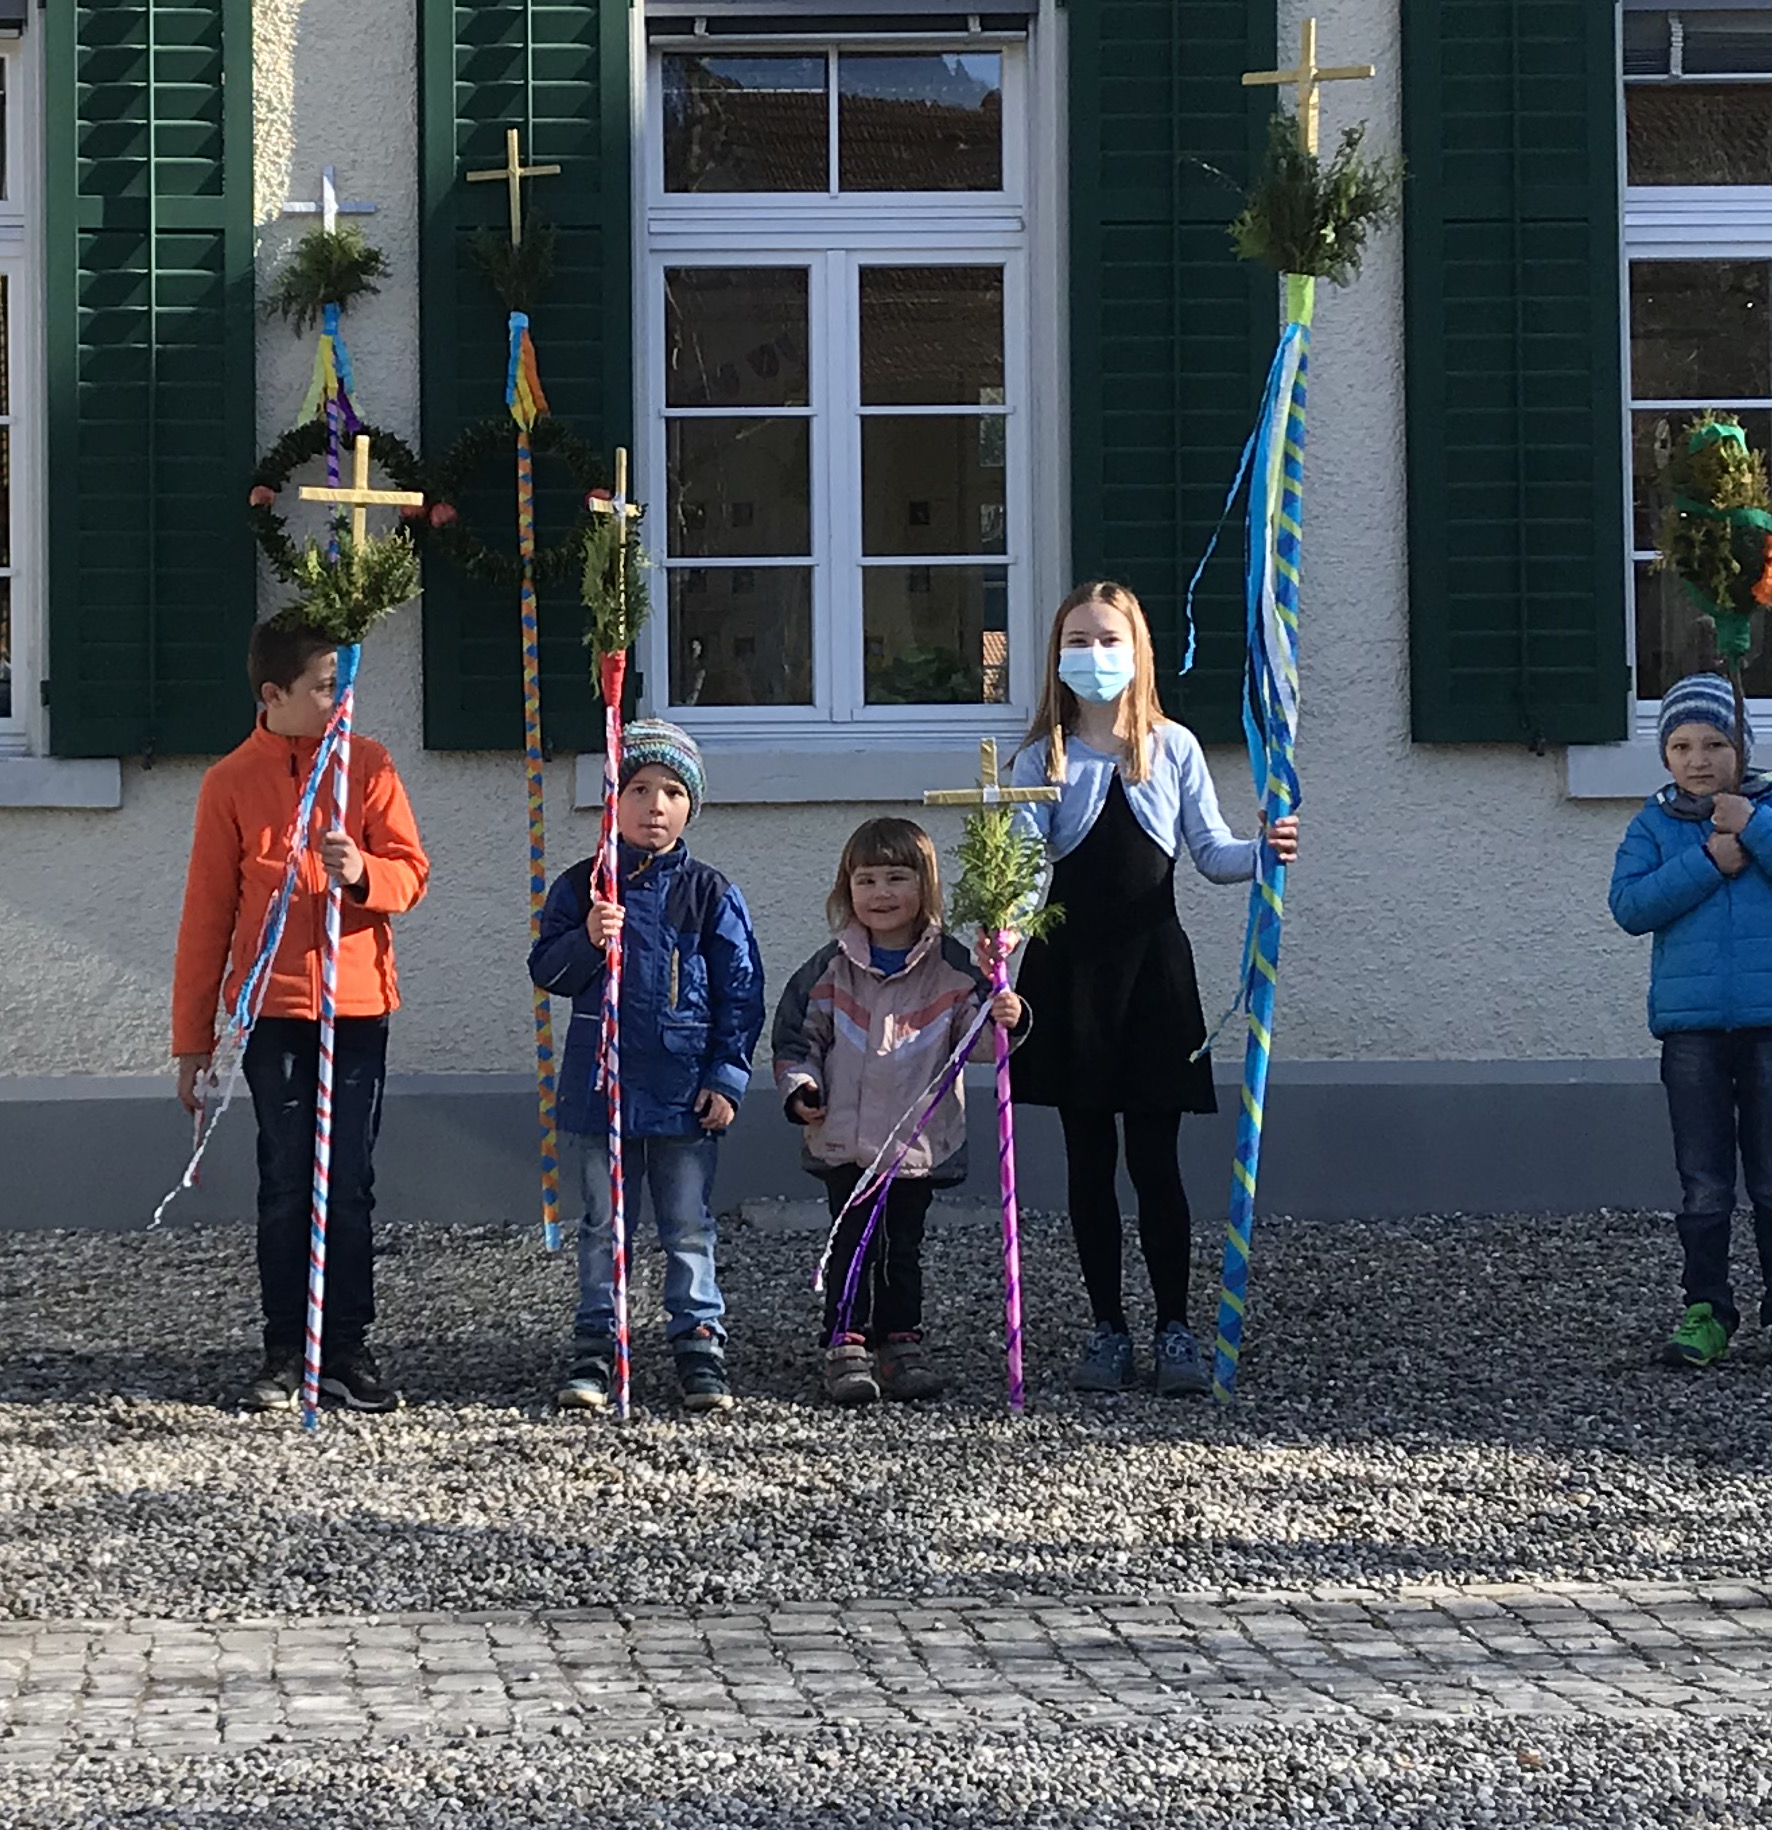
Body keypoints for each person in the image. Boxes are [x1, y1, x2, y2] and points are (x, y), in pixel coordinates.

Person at [1001, 581, 1300, 1399]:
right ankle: (1107, 1327)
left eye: (1107, 638)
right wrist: (1001, 931)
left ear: (1135, 650)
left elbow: (1210, 851)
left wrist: (1265, 852)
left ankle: (1175, 1325)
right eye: (1077, 640)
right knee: (1087, 1160)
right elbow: (1028, 876)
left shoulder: (1172, 748)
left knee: (1156, 1160)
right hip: (1068, 978)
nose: (1092, 655)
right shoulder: (1042, 759)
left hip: (1152, 976)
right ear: (1058, 656)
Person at [170, 611, 431, 1413]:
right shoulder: (230, 782)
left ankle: (347, 1346)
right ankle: (286, 1346)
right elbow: (207, 914)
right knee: (287, 1180)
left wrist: (360, 875)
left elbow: (411, 875)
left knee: (347, 1180)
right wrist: (193, 1041)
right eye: (325, 687)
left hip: (355, 1007)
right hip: (275, 1012)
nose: (341, 699)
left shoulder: (371, 765)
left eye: (346, 682)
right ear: (274, 693)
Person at [1609, 673, 1772, 1371]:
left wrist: (1756, 828)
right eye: (1682, 745)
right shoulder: (1653, 826)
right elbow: (1631, 907)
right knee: (1704, 1181)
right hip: (1691, 1030)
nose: (1699, 758)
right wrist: (1708, 861)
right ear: (1665, 756)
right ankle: (1706, 1307)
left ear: (1743, 747)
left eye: (1715, 742)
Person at [529, 720, 764, 1414]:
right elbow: (548, 971)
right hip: (601, 1093)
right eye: (636, 789)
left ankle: (698, 1344)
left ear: (690, 805)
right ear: (612, 800)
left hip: (684, 1091)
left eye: (669, 792)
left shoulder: (711, 894)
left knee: (687, 1225)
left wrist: (726, 1077)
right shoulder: (583, 889)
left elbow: (740, 992)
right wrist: (588, 941)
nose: (652, 806)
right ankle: (597, 1344)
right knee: (605, 1224)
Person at [769, 815, 1017, 1409]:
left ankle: (901, 1339)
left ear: (924, 888)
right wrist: (800, 1089)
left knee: (902, 1247)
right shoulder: (830, 969)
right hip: (846, 1140)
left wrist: (1005, 1010)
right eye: (867, 880)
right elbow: (798, 1040)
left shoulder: (954, 969)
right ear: (846, 889)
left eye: (896, 879)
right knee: (851, 1241)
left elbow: (980, 1044)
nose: (880, 894)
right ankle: (846, 1340)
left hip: (915, 1141)